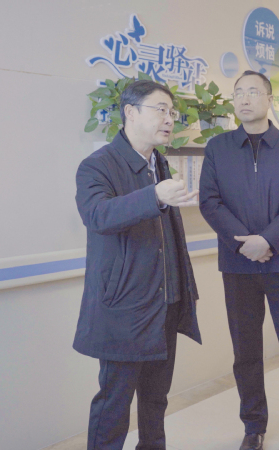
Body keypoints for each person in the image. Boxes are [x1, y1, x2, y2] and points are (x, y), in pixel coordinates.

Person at [74, 80, 201, 450]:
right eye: (160, 109)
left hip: (166, 302)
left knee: (156, 399)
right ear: (130, 112)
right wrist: (154, 195)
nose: (169, 119)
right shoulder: (97, 165)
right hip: (126, 309)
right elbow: (98, 215)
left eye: (172, 112)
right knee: (114, 403)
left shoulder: (159, 163)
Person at [199, 70, 279, 450]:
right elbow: (209, 201)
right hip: (238, 266)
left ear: (269, 99)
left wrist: (267, 239)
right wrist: (244, 243)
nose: (244, 99)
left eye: (253, 92)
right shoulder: (218, 148)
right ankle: (253, 426)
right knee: (245, 352)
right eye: (238, 93)